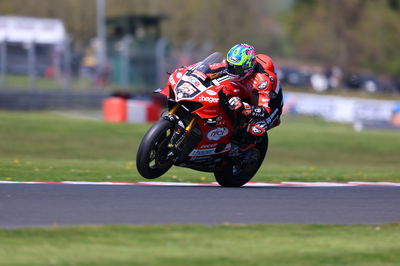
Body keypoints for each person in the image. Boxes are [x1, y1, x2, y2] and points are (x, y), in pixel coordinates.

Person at [213, 43, 283, 151]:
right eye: (230, 66)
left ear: (247, 67)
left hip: (271, 106)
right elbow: (214, 67)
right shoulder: (235, 65)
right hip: (248, 94)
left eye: (236, 69)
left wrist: (245, 108)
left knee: (255, 129)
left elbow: (265, 110)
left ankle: (240, 152)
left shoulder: (262, 81)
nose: (231, 72)